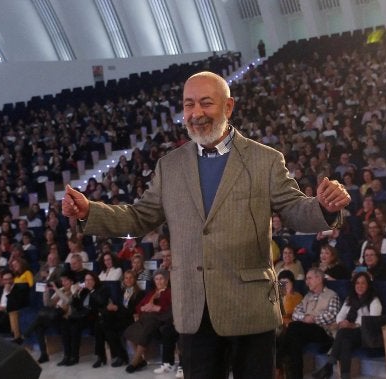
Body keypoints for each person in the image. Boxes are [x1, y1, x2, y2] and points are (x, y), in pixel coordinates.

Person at [62, 71, 351, 378]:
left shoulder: (265, 160)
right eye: (188, 105)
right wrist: (89, 211)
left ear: (228, 107)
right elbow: (138, 216)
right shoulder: (169, 166)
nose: (196, 113)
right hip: (194, 310)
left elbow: (294, 210)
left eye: (205, 103)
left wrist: (322, 207)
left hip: (249, 307)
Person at [312, 272, 382, 379]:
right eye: (357, 283)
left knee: (343, 333)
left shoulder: (374, 300)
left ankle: (329, 366)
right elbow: (340, 315)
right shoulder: (350, 299)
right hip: (350, 334)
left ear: (368, 285)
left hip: (366, 336)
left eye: (363, 283)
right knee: (345, 342)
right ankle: (344, 376)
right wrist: (341, 323)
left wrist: (353, 325)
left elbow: (373, 323)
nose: (360, 286)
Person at [278, 268, 341, 379]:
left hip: (323, 331)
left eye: (309, 278)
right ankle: (295, 376)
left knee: (293, 327)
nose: (306, 282)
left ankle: (277, 362)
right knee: (294, 342)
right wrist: (305, 319)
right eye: (306, 279)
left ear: (319, 279)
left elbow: (332, 315)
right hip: (305, 329)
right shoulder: (308, 296)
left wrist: (313, 319)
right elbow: (296, 313)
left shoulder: (332, 295)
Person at [123, 269, 177, 374]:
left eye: (161, 279)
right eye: (156, 279)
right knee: (129, 332)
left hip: (159, 319)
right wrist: (144, 308)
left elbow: (171, 309)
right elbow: (139, 307)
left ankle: (135, 362)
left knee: (146, 330)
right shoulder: (151, 293)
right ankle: (141, 360)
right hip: (145, 318)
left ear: (166, 280)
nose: (159, 281)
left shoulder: (170, 292)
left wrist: (157, 308)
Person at [23, 271, 77, 363]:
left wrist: (56, 288)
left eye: (66, 281)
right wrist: (46, 292)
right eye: (62, 281)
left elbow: (68, 301)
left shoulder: (74, 289)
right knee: (39, 327)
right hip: (54, 316)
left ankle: (25, 335)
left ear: (71, 281)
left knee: (40, 320)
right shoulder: (61, 289)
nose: (64, 283)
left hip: (66, 317)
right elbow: (47, 304)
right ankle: (44, 354)